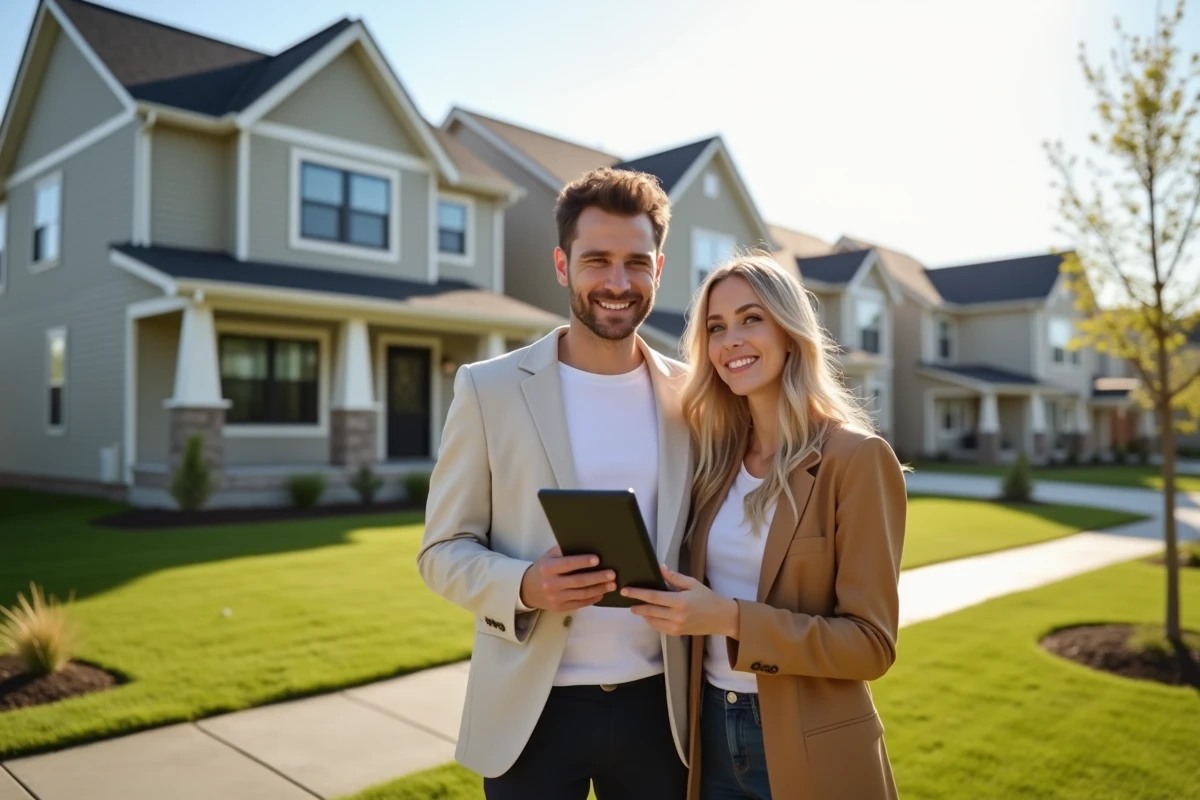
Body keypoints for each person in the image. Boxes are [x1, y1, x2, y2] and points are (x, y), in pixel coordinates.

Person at [417, 167, 692, 799]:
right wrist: (524, 585)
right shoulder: (488, 389)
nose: (618, 283)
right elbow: (440, 551)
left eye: (636, 263)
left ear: (658, 269)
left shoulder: (693, 395)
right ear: (563, 265)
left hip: (664, 711)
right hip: (530, 713)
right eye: (597, 261)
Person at [622, 252, 906, 800]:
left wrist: (729, 618)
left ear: (790, 333)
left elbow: (871, 645)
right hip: (708, 731)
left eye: (751, 319)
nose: (731, 341)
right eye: (716, 327)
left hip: (809, 744)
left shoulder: (856, 458)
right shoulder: (715, 459)